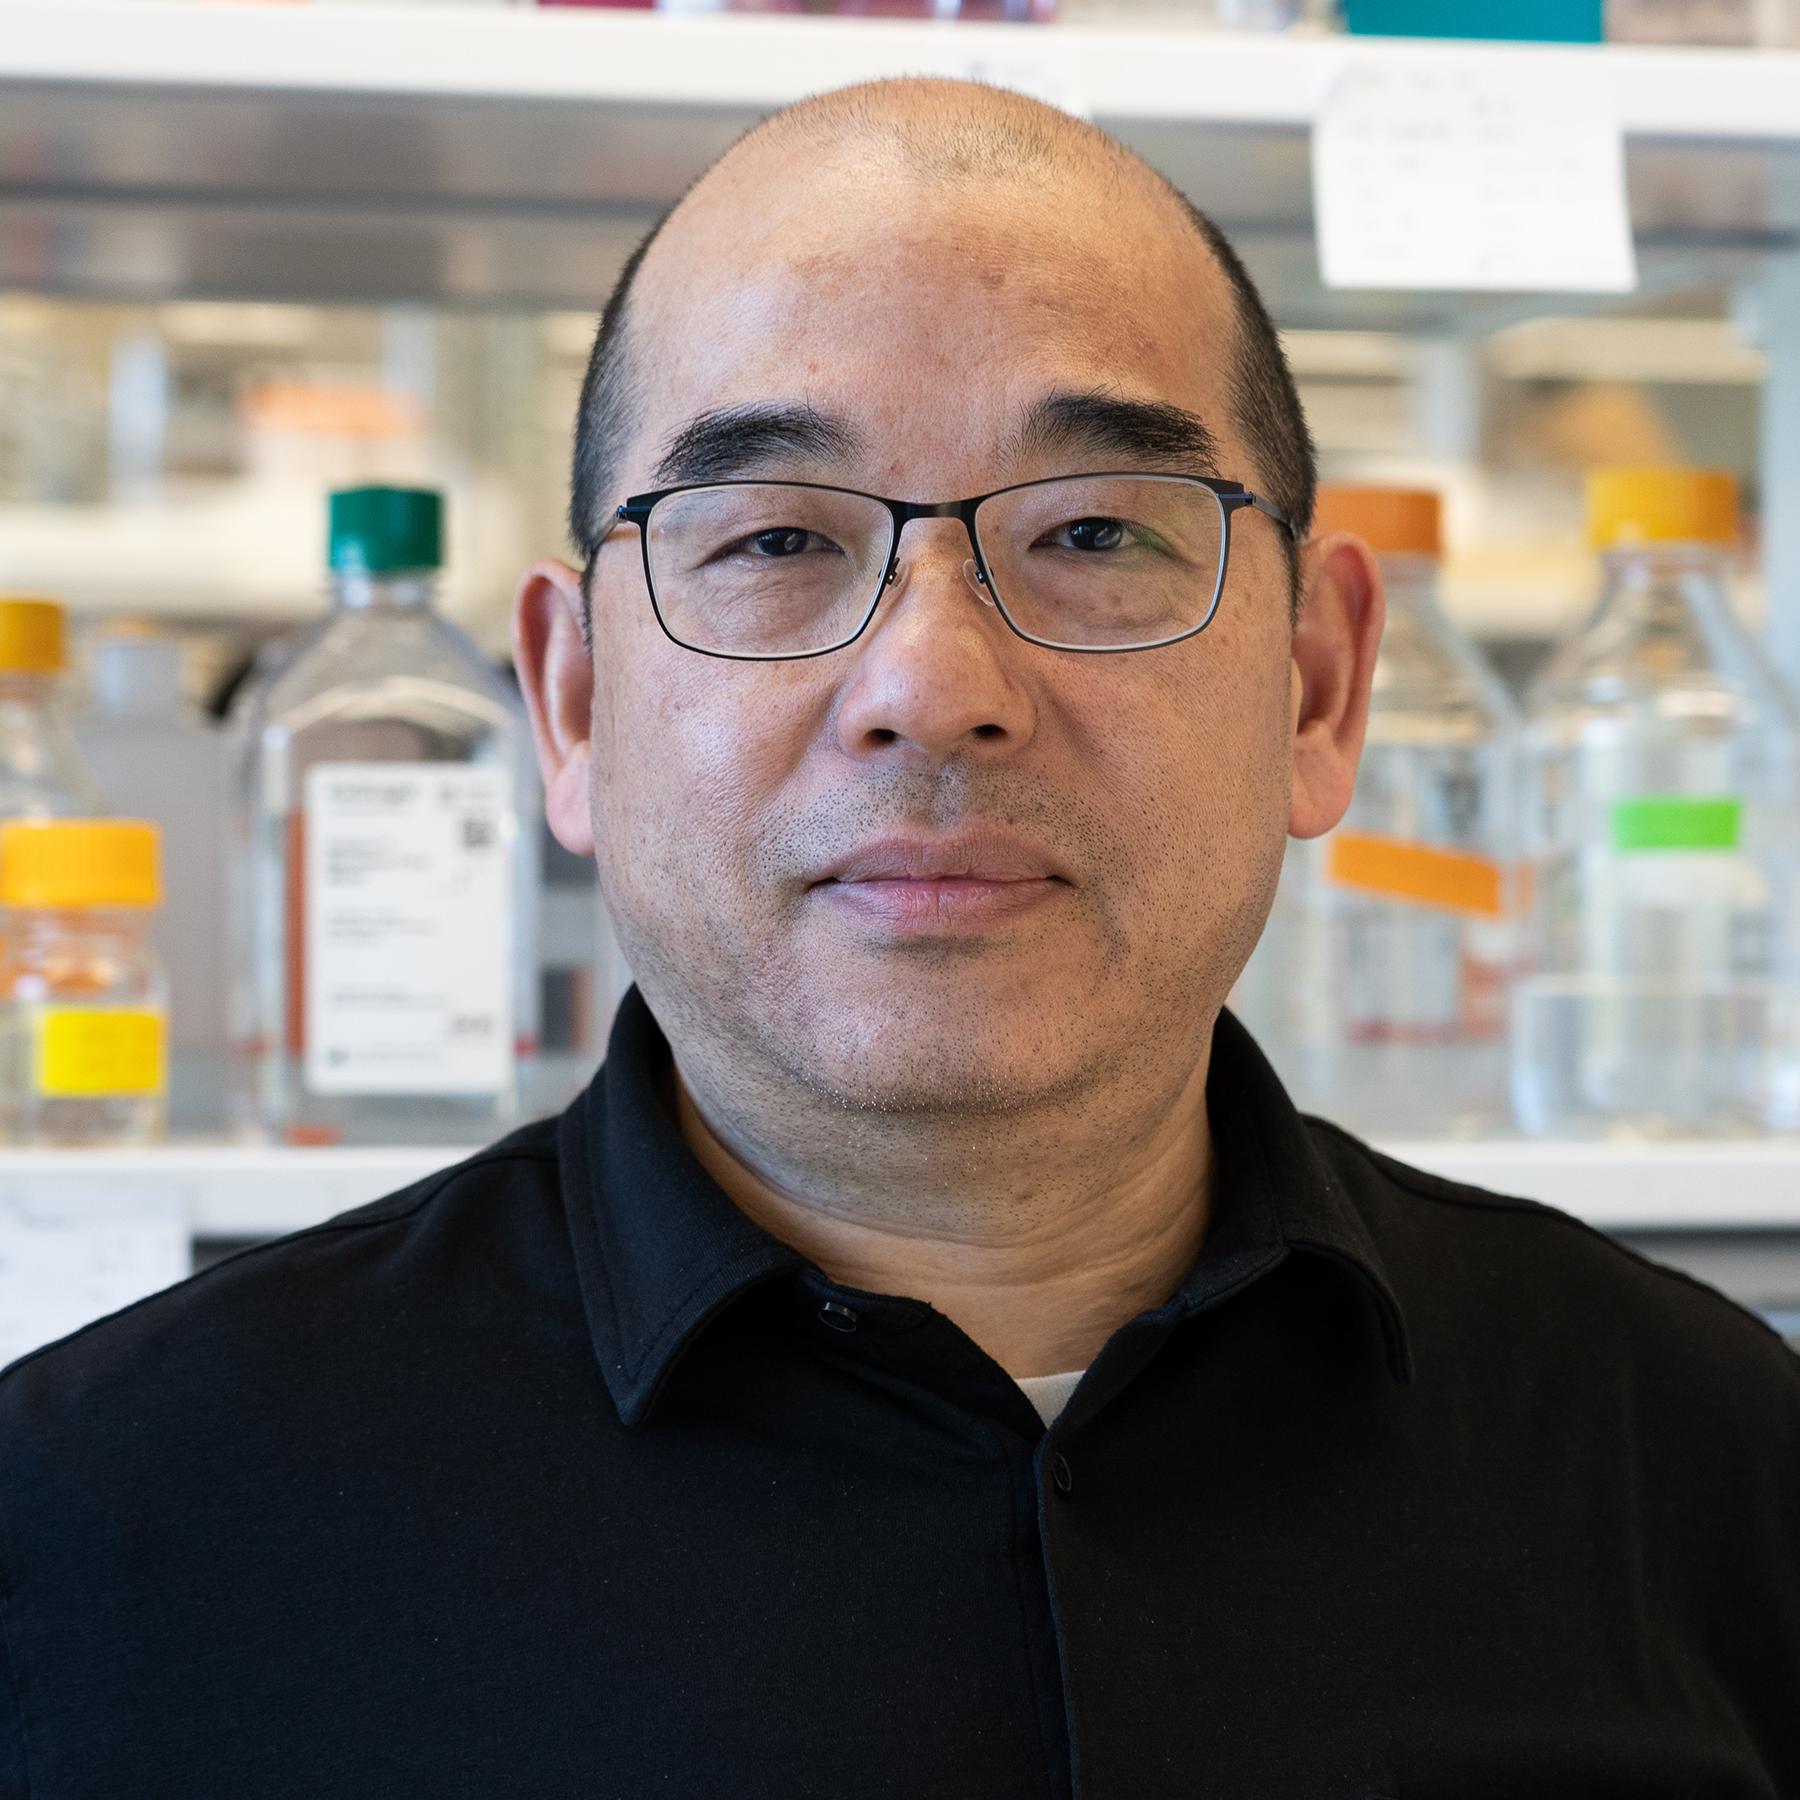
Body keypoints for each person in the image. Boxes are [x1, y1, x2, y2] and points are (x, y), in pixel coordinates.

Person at [2, 78, 1796, 1800]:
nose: (935, 687)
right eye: (775, 536)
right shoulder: (103, 1534)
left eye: (1097, 530)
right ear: (567, 700)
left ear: (1320, 687)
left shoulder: (1712, 1473)